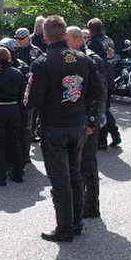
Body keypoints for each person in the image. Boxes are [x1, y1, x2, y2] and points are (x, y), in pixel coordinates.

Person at [25, 15, 102, 242]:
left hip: (54, 126)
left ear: (45, 35)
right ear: (64, 33)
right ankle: (76, 223)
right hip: (77, 125)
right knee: (75, 174)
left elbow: (31, 100)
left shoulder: (42, 63)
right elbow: (98, 92)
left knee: (60, 179)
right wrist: (90, 119)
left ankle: (65, 228)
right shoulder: (83, 59)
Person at [65, 26, 107, 219]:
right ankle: (79, 204)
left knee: (88, 164)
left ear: (77, 40)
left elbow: (99, 94)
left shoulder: (91, 59)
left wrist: (92, 122)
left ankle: (91, 207)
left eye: (67, 39)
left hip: (87, 120)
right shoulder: (72, 58)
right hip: (75, 119)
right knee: (76, 164)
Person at [0, 47, 26, 186]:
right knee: (15, 141)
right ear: (9, 58)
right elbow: (22, 96)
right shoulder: (18, 73)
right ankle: (18, 173)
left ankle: (0, 177)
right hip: (14, 109)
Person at [87, 18, 121, 149]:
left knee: (100, 110)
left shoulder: (93, 42)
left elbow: (93, 62)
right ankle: (115, 135)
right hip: (110, 77)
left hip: (101, 79)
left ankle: (102, 140)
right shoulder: (109, 40)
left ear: (91, 29)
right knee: (105, 108)